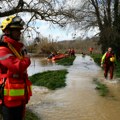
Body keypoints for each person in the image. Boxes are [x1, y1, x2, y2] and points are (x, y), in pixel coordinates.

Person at [0, 15, 32, 120]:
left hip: (19, 98)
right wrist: (27, 59)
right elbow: (17, 67)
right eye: (17, 30)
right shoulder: (2, 49)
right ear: (8, 31)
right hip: (8, 100)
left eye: (20, 30)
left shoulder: (16, 49)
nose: (20, 32)